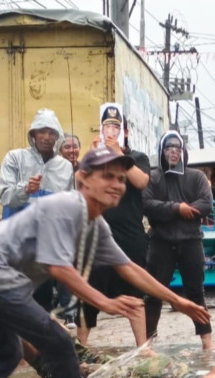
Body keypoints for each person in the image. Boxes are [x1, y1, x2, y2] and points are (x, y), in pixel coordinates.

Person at [0, 147, 211, 378]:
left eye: (121, 179)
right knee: (59, 343)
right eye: (107, 176)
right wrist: (105, 302)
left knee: (8, 353)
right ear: (83, 179)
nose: (116, 184)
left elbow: (128, 268)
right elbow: (59, 268)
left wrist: (178, 300)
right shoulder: (66, 206)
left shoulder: (96, 225)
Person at [80, 111, 151, 347]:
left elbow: (141, 182)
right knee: (87, 291)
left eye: (116, 127)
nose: (111, 131)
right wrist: (90, 158)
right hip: (97, 233)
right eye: (107, 127)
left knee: (135, 291)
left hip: (130, 236)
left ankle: (143, 347)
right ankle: (81, 347)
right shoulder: (95, 157)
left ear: (125, 132)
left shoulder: (137, 157)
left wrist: (119, 154)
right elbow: (79, 184)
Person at [142, 131, 215, 350]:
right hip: (160, 243)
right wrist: (177, 208)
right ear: (161, 152)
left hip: (191, 241)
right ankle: (147, 344)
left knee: (196, 292)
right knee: (154, 293)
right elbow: (146, 205)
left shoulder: (196, 176)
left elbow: (206, 203)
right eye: (168, 148)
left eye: (177, 148)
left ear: (183, 152)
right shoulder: (153, 177)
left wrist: (181, 211)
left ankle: (207, 342)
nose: (173, 152)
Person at [0, 108, 74, 218]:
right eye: (42, 131)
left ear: (57, 137)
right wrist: (25, 190)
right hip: (16, 232)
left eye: (52, 133)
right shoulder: (14, 158)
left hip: (50, 233)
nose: (47, 137)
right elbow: (5, 198)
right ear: (33, 134)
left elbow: (68, 207)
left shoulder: (66, 167)